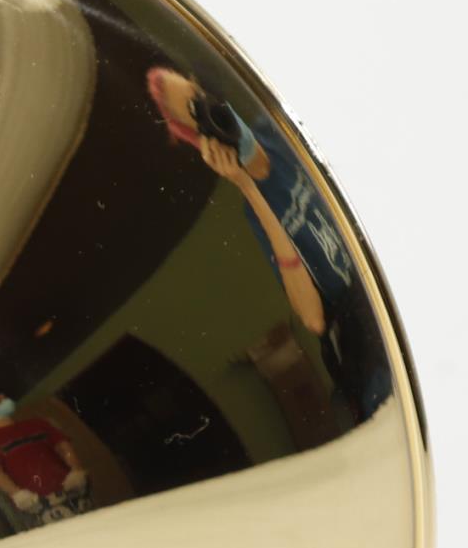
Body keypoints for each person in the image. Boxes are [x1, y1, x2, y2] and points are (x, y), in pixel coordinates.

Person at [146, 65, 390, 420]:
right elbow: (313, 319)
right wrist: (247, 186)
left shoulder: (278, 127)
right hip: (371, 345)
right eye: (196, 112)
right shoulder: (254, 213)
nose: (210, 108)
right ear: (200, 140)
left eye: (199, 95)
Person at [0, 393, 89, 517]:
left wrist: (76, 470)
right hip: (38, 502)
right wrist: (17, 494)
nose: (6, 401)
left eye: (6, 398)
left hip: (72, 487)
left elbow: (64, 447)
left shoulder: (38, 424)